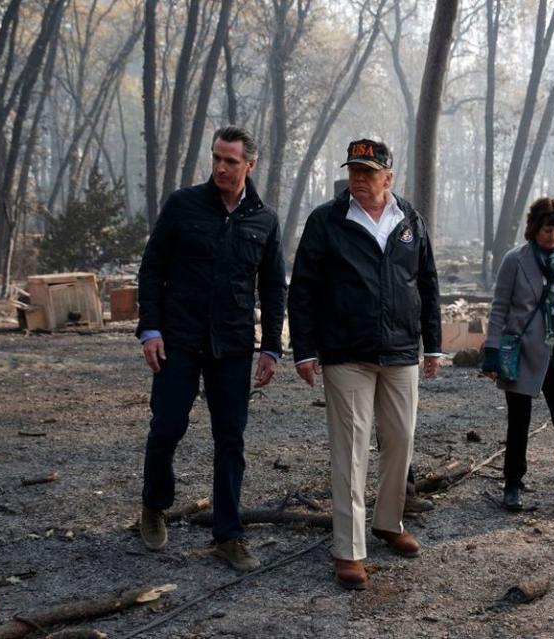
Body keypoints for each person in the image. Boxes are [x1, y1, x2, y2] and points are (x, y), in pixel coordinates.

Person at [288, 138, 442, 590]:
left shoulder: (409, 220)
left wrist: (432, 344)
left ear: (388, 177)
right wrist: (306, 350)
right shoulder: (327, 221)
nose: (358, 178)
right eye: (354, 170)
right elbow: (303, 290)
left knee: (400, 441)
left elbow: (427, 283)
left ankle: (389, 523)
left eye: (368, 172)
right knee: (350, 452)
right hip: (345, 354)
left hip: (399, 353)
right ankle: (348, 550)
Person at [135, 126, 287, 571]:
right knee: (166, 426)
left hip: (234, 345)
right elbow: (152, 268)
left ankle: (229, 534)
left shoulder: (264, 219)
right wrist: (150, 330)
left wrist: (272, 348)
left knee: (231, 439)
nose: (221, 167)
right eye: (217, 158)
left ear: (250, 166)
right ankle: (153, 503)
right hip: (178, 340)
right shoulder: (183, 205)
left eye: (231, 161)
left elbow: (274, 288)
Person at [482, 197, 554, 520]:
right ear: (535, 229)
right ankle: (513, 485)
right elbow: (499, 308)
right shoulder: (514, 260)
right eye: (548, 230)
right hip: (521, 356)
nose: (553, 236)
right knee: (519, 424)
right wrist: (491, 352)